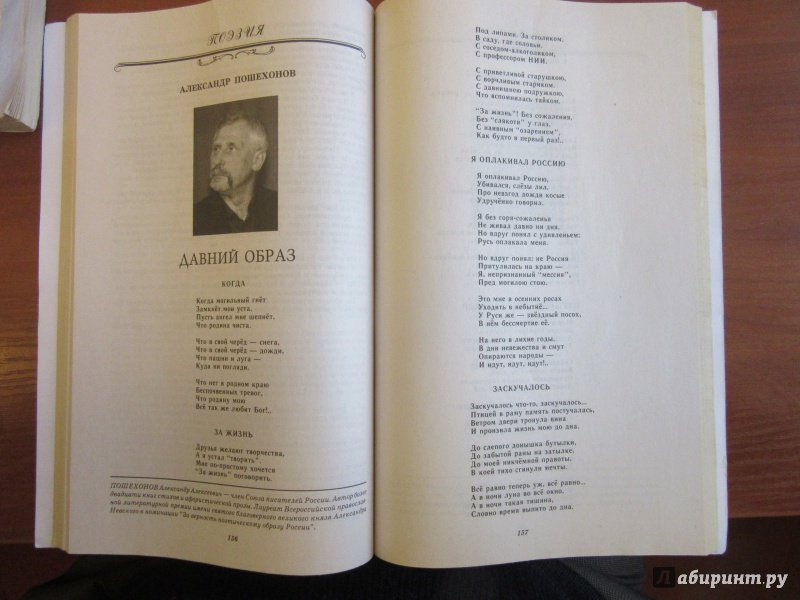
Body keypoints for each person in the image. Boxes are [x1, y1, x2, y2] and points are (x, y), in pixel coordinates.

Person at [193, 111, 277, 235]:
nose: (218, 160)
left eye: (230, 149)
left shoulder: (278, 208)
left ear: (257, 160)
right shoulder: (196, 219)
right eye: (216, 149)